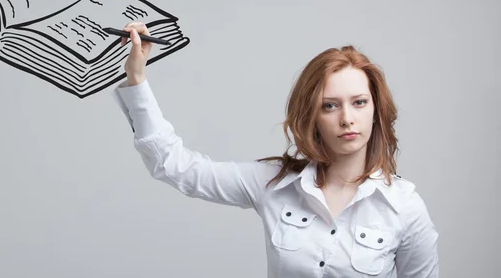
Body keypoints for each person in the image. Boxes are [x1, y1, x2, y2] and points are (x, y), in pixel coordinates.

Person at [111, 22, 440, 277]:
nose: (346, 119)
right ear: (312, 116)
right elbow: (174, 166)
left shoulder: (404, 207)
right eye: (330, 106)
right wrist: (137, 77)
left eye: (359, 102)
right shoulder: (275, 184)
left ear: (375, 109)